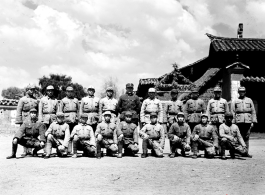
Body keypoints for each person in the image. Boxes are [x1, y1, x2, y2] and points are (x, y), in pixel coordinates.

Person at [231, 86, 257, 157]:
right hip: (239, 121)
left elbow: (253, 111)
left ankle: (245, 152)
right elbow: (233, 112)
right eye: (240, 91)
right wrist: (233, 123)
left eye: (243, 91)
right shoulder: (235, 101)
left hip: (248, 121)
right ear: (238, 92)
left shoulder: (249, 100)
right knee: (239, 137)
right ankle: (239, 152)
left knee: (246, 136)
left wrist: (253, 122)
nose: (242, 93)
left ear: (245, 92)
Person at [15, 84, 38, 157]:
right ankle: (25, 151)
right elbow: (19, 110)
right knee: (24, 135)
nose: (32, 91)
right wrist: (19, 120)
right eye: (31, 89)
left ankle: (30, 150)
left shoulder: (35, 100)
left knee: (32, 134)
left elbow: (37, 111)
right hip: (24, 119)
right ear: (27, 90)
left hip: (33, 120)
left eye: (33, 90)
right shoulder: (22, 99)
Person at [59, 86, 79, 154]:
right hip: (66, 119)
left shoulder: (76, 100)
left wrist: (78, 118)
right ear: (66, 92)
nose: (70, 93)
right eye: (68, 92)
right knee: (67, 135)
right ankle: (68, 150)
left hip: (74, 119)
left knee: (74, 134)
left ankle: (74, 150)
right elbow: (60, 111)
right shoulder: (63, 100)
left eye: (71, 92)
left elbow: (78, 110)